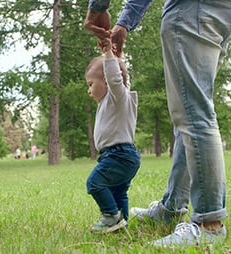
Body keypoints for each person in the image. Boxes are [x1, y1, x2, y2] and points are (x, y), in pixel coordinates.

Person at [85, 0, 231, 247]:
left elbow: (116, 80)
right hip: (226, 9)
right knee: (189, 114)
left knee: (194, 114)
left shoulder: (115, 93)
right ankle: (171, 209)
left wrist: (98, 9)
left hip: (193, 9)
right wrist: (125, 23)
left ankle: (208, 225)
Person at [85, 37, 141, 233]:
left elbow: (116, 77)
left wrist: (108, 53)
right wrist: (118, 57)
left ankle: (111, 216)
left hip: (119, 154)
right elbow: (122, 74)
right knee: (118, 192)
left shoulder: (118, 97)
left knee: (94, 183)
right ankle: (121, 224)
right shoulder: (112, 102)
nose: (89, 90)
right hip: (121, 156)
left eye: (91, 84)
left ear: (107, 82)